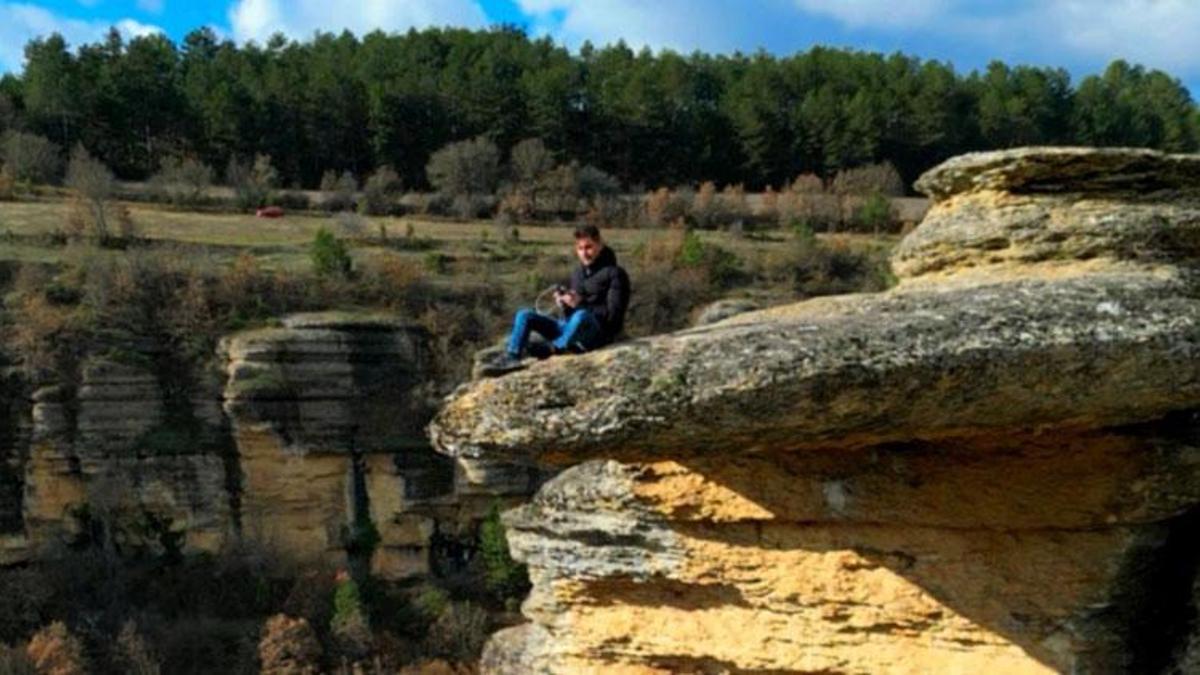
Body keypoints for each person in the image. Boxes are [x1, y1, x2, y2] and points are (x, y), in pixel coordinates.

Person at [483, 225, 630, 375]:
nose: (584, 253)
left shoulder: (616, 274)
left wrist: (581, 304)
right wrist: (565, 303)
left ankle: (553, 349)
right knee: (524, 314)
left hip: (596, 335)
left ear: (600, 245)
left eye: (589, 247)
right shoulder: (578, 273)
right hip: (569, 328)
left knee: (581, 316)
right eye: (580, 248)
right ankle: (512, 356)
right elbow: (570, 313)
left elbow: (614, 317)